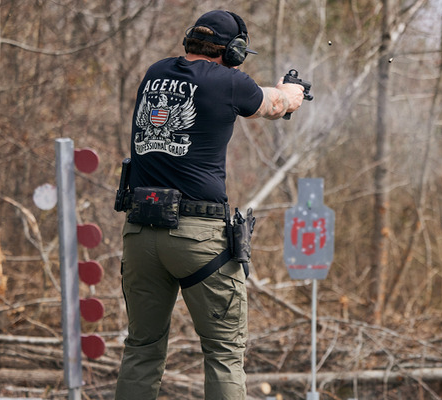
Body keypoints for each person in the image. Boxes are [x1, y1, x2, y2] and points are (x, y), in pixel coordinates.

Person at [115, 10, 305, 399]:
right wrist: (291, 93)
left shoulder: (155, 73)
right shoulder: (229, 81)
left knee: (141, 349)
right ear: (234, 52)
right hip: (197, 237)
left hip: (139, 232)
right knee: (223, 353)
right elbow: (272, 104)